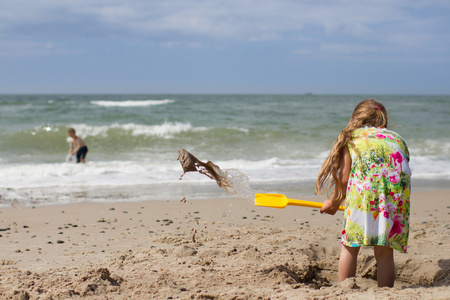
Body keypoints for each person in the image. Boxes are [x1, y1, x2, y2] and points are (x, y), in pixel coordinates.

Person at [315, 99, 411, 288]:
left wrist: (334, 203)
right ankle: (386, 293)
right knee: (384, 253)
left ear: (355, 119)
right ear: (383, 121)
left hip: (364, 197)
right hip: (395, 200)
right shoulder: (397, 138)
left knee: (350, 246)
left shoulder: (353, 138)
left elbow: (344, 179)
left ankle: (346, 289)